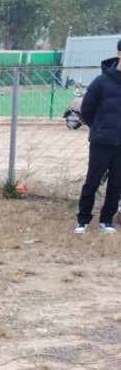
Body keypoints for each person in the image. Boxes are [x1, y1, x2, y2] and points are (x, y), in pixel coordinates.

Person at [74, 39, 121, 234]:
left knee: (116, 184)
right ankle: (83, 220)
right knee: (92, 181)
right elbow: (86, 110)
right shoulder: (101, 81)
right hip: (102, 141)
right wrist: (99, 128)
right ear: (118, 53)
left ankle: (106, 220)